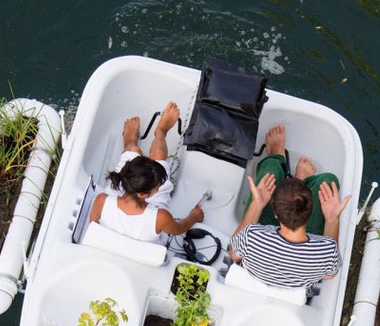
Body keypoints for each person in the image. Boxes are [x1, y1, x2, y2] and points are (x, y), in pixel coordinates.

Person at [229, 124, 351, 294]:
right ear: (311, 210)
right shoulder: (327, 251)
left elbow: (234, 255)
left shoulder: (252, 236)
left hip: (259, 264)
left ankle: (276, 157)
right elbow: (329, 275)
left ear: (276, 214)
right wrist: (332, 219)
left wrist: (257, 204)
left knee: (270, 171)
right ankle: (302, 181)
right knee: (328, 180)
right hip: (302, 269)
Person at [90, 103, 204, 243]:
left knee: (134, 151)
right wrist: (194, 217)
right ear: (144, 194)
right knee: (159, 155)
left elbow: (93, 228)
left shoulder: (102, 200)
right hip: (149, 219)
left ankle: (130, 142)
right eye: (157, 185)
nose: (159, 186)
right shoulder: (161, 217)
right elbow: (179, 228)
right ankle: (161, 131)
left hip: (126, 199)